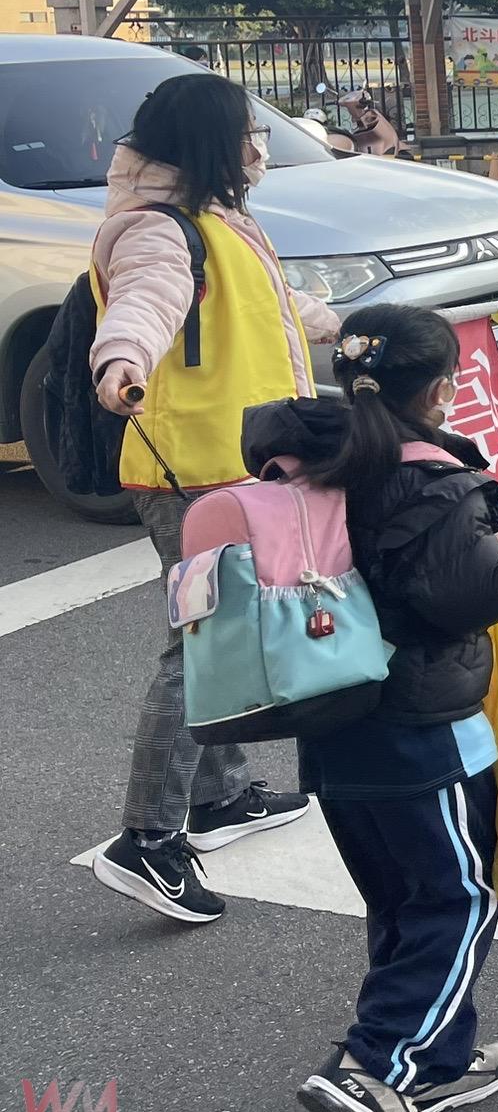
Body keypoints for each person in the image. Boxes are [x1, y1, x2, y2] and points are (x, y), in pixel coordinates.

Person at [247, 305, 498, 1112]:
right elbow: (478, 591)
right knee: (456, 897)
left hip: (331, 725)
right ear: (441, 389)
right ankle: (378, 1067)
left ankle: (436, 1060)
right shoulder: (432, 481)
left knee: (404, 899)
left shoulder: (308, 456)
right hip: (421, 732)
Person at [86, 73, 340, 924]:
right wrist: (121, 359)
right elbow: (145, 302)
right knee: (200, 649)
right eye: (247, 132)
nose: (258, 147)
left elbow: (262, 304)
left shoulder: (217, 219)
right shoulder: (157, 230)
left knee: (223, 634)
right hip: (192, 473)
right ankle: (147, 840)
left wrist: (338, 324)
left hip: (233, 464)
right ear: (210, 143)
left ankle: (221, 797)